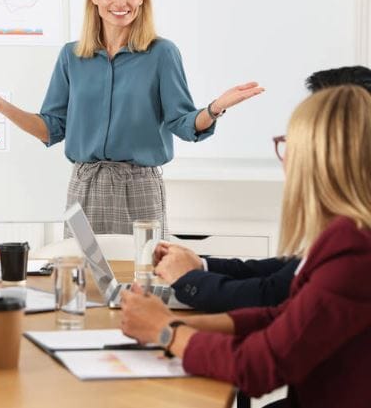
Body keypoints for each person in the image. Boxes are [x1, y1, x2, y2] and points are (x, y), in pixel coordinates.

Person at [0, 0, 263, 237]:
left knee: (142, 274)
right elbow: (51, 129)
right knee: (83, 276)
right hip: (84, 186)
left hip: (139, 188)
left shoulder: (162, 54)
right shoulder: (72, 56)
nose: (120, 2)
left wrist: (215, 108)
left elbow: (182, 123)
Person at [119, 85, 371, 408]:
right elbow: (280, 317)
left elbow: (258, 367)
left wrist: (167, 331)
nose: (284, 159)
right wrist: (168, 323)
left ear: (321, 161)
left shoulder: (354, 252)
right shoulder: (347, 236)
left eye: (289, 146)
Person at [153, 65, 371, 313]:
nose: (290, 157)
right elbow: (287, 272)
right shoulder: (349, 222)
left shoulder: (353, 237)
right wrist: (200, 266)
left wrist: (186, 285)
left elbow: (272, 295)